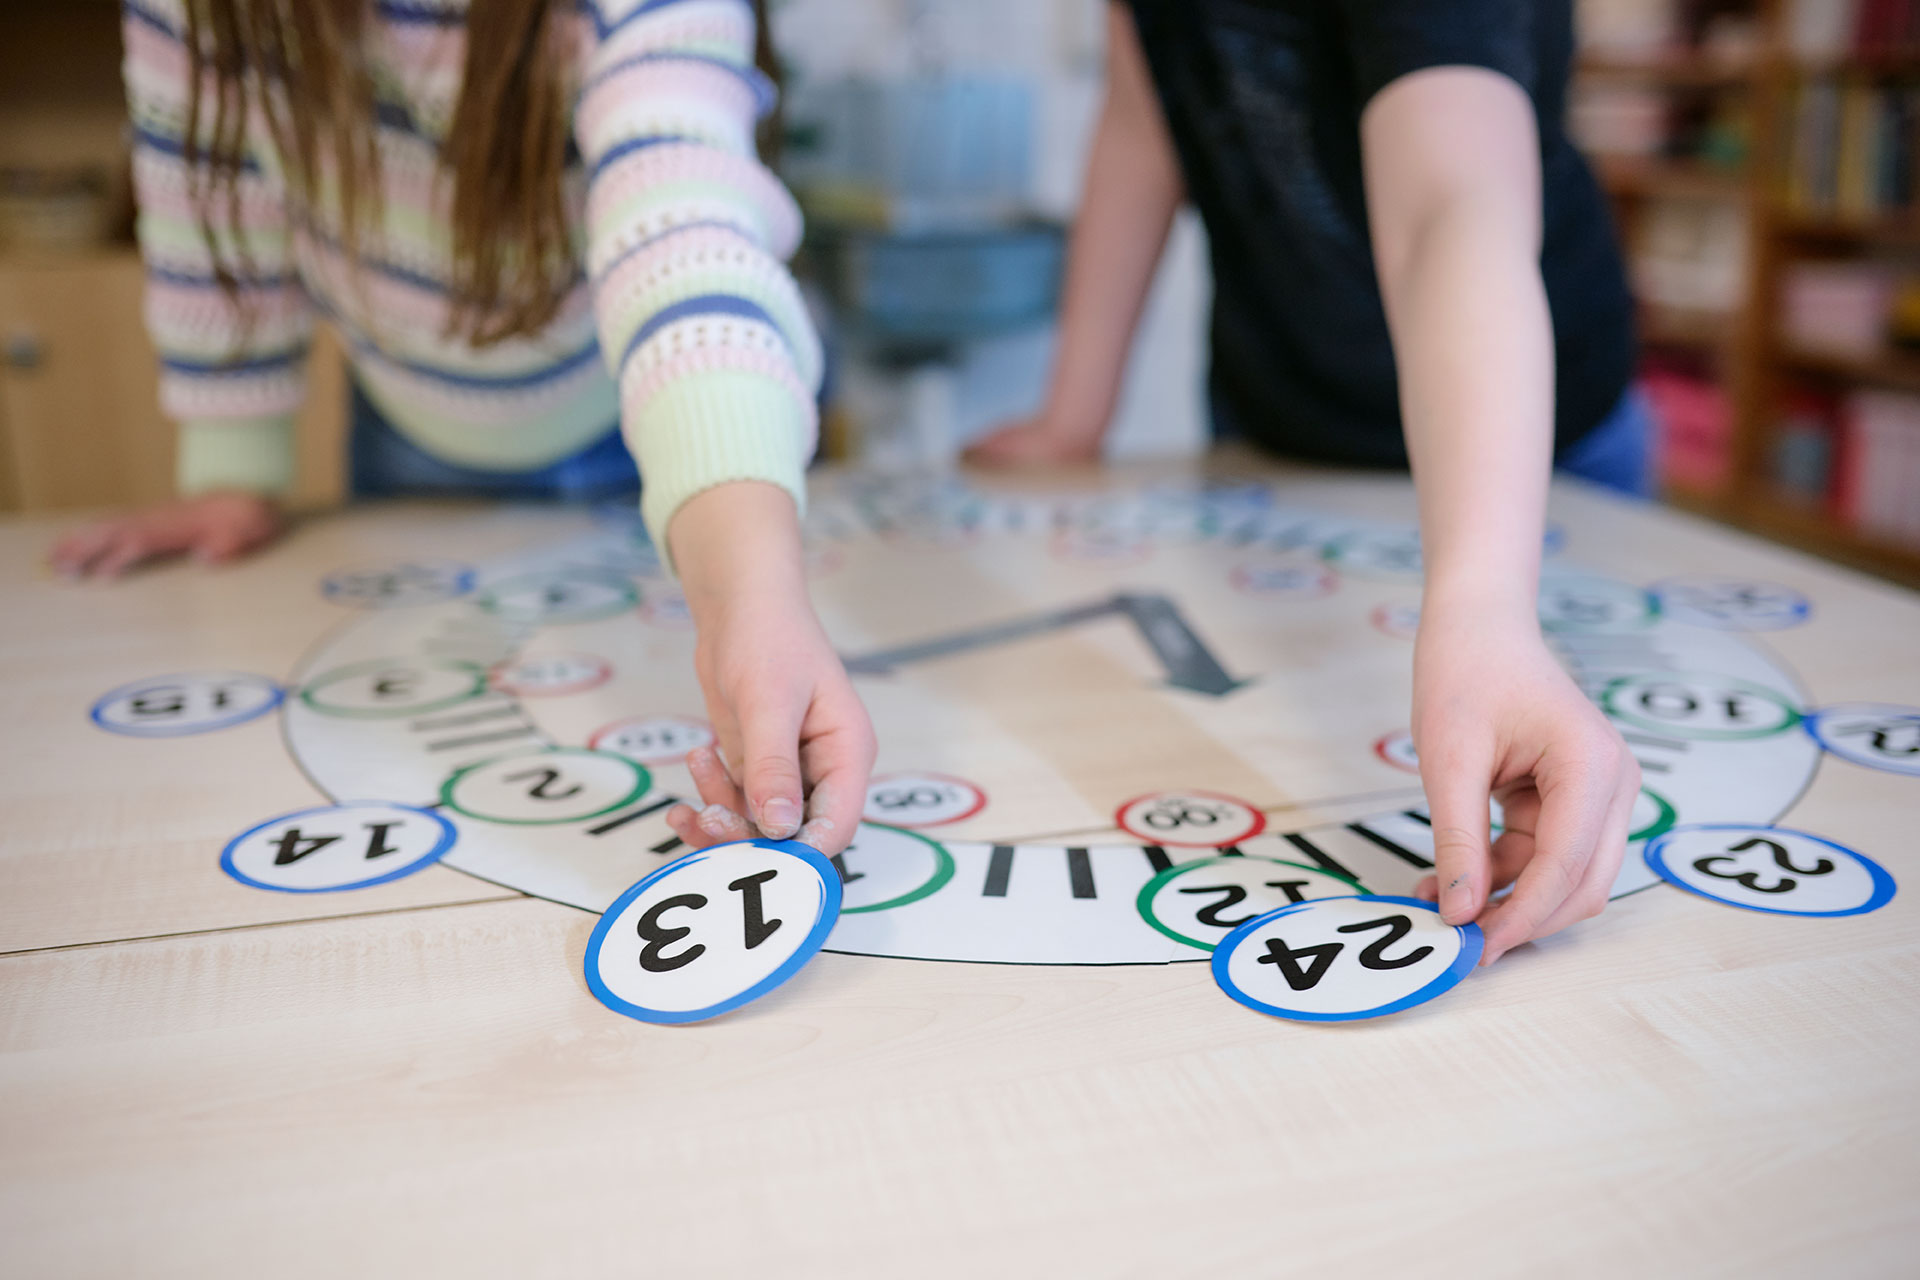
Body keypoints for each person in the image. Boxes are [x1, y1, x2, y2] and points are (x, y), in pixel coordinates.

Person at [49, 0, 873, 858]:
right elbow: (211, 187)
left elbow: (685, 231)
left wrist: (746, 594)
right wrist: (234, 464)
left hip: (651, 428)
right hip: (408, 426)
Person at [967, 1, 1645, 965]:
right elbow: (1142, 118)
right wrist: (1079, 408)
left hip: (1526, 436)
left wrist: (1488, 607)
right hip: (1283, 415)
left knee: (1564, 772)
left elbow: (1449, 208)